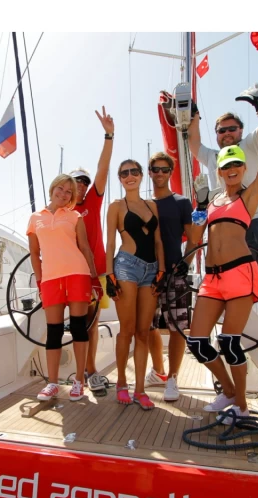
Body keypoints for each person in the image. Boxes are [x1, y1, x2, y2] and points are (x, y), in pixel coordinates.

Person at [187, 86, 258, 420]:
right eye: (226, 168)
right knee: (197, 343)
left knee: (229, 343)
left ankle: (241, 405)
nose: (231, 170)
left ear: (243, 167)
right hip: (212, 279)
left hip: (240, 274)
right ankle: (228, 391)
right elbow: (196, 235)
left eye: (237, 166)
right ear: (219, 171)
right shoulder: (212, 201)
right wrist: (198, 208)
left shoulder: (250, 197)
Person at [188, 62, 258, 328]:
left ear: (240, 131)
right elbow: (194, 144)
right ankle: (219, 310)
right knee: (221, 266)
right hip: (220, 219)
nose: (226, 134)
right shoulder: (212, 156)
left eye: (231, 128)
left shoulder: (252, 143)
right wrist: (194, 116)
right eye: (221, 130)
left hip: (251, 215)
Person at [27, 174, 102, 402]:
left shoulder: (74, 216)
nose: (64, 194)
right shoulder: (35, 218)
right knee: (54, 331)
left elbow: (85, 248)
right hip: (50, 279)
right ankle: (52, 383)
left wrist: (94, 278)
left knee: (79, 327)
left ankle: (79, 380)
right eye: (61, 188)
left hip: (77, 274)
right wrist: (41, 282)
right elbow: (34, 253)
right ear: (52, 188)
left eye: (69, 192)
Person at [105, 160, 166, 410]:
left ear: (141, 176)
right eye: (124, 173)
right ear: (120, 178)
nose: (129, 176)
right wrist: (109, 275)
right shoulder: (116, 206)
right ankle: (121, 383)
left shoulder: (152, 205)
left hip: (151, 270)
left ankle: (140, 389)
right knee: (126, 330)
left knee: (143, 331)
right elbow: (110, 242)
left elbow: (159, 240)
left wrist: (162, 270)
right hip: (126, 266)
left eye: (134, 172)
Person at [143, 151, 196, 402]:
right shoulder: (142, 204)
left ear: (170, 173)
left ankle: (173, 379)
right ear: (150, 172)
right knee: (147, 326)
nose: (160, 173)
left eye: (165, 169)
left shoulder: (182, 202)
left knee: (177, 328)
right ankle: (158, 372)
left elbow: (194, 237)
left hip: (175, 271)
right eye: (156, 169)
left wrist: (187, 262)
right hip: (146, 274)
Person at [70, 106, 115, 392]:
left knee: (93, 322)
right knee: (78, 322)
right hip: (71, 274)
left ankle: (91, 371)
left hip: (96, 272)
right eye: (77, 181)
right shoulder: (61, 209)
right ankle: (80, 372)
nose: (83, 185)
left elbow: (103, 169)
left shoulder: (92, 203)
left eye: (85, 182)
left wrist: (108, 135)